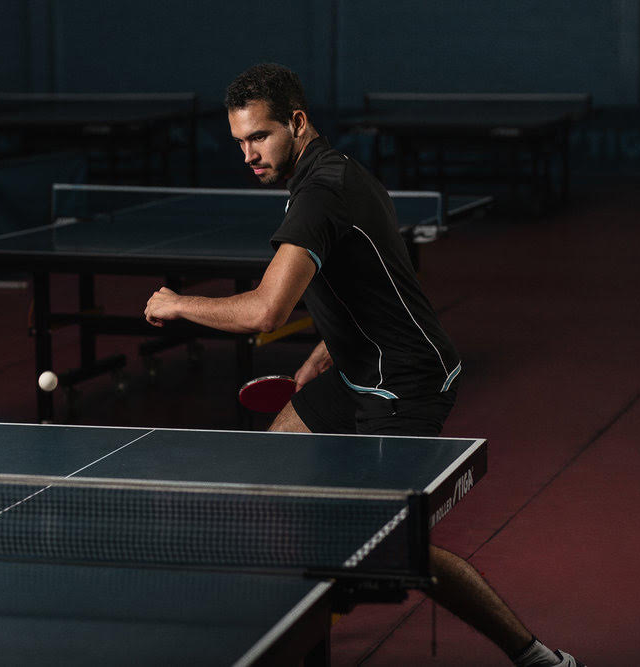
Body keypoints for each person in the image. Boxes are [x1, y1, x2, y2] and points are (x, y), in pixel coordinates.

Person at [144, 63, 582, 667]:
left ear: (297, 123)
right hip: (355, 372)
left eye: (260, 137)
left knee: (400, 546)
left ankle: (535, 656)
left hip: (405, 385)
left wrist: (176, 302)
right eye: (239, 142)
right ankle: (327, 585)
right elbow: (373, 276)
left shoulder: (320, 193)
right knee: (277, 463)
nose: (248, 155)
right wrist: (329, 348)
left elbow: (266, 312)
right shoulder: (336, 171)